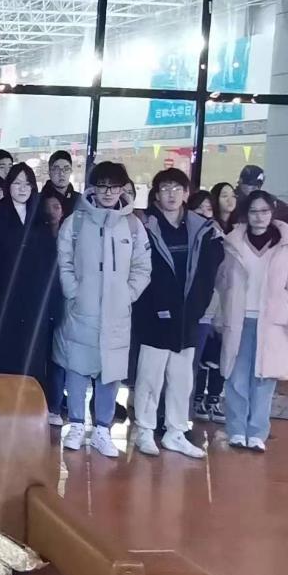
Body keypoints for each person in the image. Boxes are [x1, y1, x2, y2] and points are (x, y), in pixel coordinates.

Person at [54, 161, 150, 459]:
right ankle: (76, 424)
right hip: (81, 309)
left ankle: (102, 429)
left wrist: (127, 294)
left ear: (123, 189)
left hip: (117, 312)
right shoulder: (76, 222)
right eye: (103, 186)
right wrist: (73, 291)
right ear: (93, 189)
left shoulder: (133, 225)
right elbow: (64, 261)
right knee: (77, 368)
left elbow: (143, 267)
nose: (108, 192)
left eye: (114, 186)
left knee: (111, 372)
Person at [131, 169, 223, 459]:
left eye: (176, 188)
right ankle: (145, 430)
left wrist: (198, 308)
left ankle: (176, 432)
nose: (170, 194)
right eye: (165, 188)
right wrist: (153, 307)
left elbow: (209, 273)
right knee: (150, 377)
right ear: (156, 194)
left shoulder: (202, 228)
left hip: (188, 316)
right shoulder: (144, 225)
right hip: (154, 315)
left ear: (186, 193)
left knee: (182, 379)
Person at [214, 191, 288, 453]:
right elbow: (222, 282)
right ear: (246, 213)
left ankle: (257, 433)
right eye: (254, 211)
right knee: (236, 378)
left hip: (273, 323)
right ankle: (236, 430)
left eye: (264, 211)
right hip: (239, 318)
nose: (259, 217)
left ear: (272, 211)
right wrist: (220, 316)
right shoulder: (233, 241)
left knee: (265, 379)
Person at [0, 164, 63, 420]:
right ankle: (4, 407)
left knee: (33, 355)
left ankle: (31, 409)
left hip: (35, 301)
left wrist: (53, 302)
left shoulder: (41, 218)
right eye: (17, 183)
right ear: (8, 186)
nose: (22, 189)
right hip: (6, 299)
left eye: (27, 184)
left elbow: (50, 263)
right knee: (6, 353)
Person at [187, 190, 225, 422]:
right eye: (199, 207)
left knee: (196, 363)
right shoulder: (184, 234)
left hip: (207, 312)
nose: (203, 212)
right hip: (182, 311)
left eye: (208, 208)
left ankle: (187, 414)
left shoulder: (217, 238)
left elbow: (220, 279)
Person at [235, 164, 288, 229]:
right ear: (240, 181)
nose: (255, 188)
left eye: (258, 185)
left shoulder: (274, 204)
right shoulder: (234, 201)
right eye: (250, 184)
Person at [41, 149, 80, 215]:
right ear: (49, 172)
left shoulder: (79, 200)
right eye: (56, 169)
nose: (61, 173)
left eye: (66, 169)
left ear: (71, 171)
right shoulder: (39, 200)